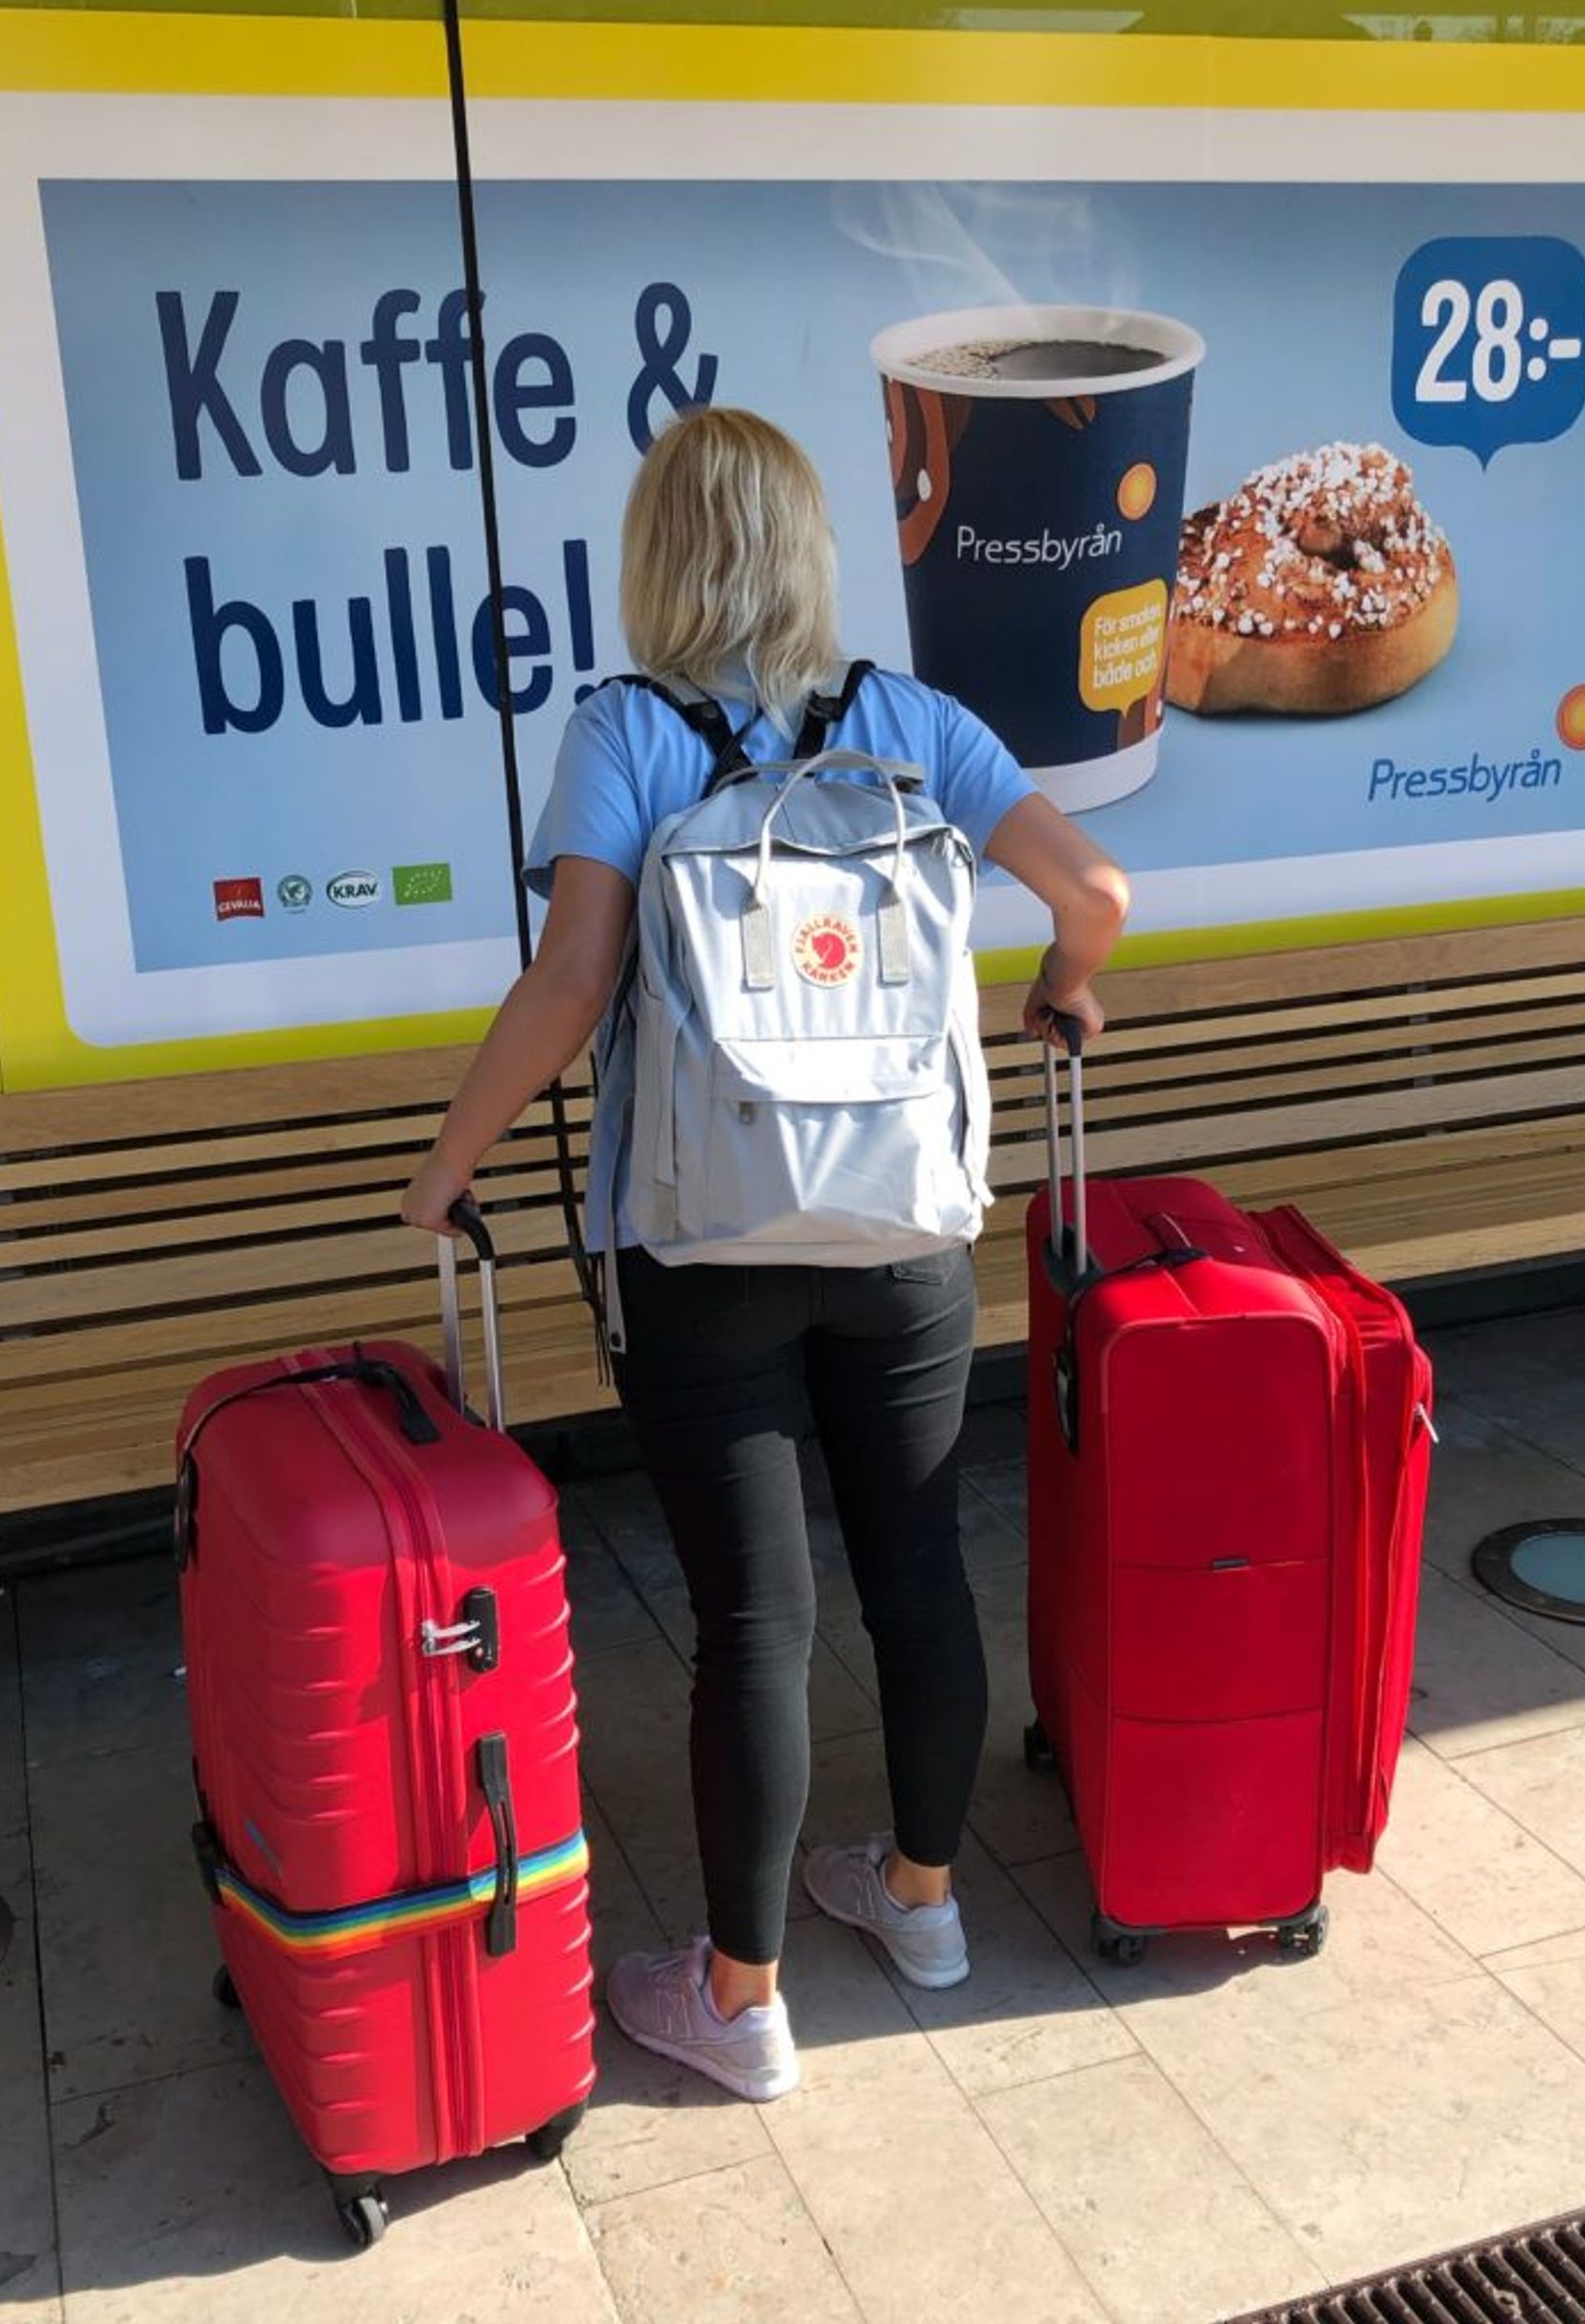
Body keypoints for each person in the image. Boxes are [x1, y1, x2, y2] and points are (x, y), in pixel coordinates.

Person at [403, 407, 1128, 2102]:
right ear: (811, 550)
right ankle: (926, 1906)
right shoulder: (911, 719)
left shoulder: (623, 734)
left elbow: (572, 983)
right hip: (901, 1234)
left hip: (701, 1240)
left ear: (660, 558)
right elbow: (1094, 888)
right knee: (919, 1566)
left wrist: (448, 1163)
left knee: (753, 1620)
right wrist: (1060, 987)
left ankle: (742, 1999)